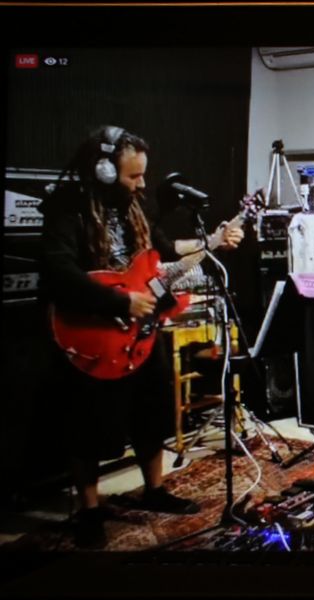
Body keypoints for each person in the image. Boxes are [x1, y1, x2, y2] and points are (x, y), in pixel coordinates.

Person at [39, 126, 244, 548]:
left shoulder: (133, 207)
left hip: (140, 333)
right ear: (103, 170)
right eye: (133, 176)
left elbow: (165, 250)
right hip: (93, 332)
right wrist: (120, 302)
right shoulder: (67, 207)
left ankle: (155, 490)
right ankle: (89, 511)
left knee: (153, 411)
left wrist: (212, 242)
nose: (142, 183)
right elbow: (58, 272)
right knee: (87, 428)